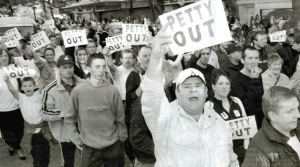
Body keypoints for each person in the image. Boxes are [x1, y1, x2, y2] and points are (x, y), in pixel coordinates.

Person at [140, 23, 239, 167]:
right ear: (177, 92)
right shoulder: (164, 118)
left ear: (206, 92)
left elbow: (232, 161)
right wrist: (155, 57)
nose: (193, 90)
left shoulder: (219, 122)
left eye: (198, 86)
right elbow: (151, 94)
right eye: (187, 86)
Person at [65, 53, 127, 167]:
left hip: (113, 146)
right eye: (97, 67)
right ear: (89, 68)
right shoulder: (78, 91)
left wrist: (121, 137)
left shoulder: (112, 90)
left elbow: (120, 117)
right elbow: (69, 118)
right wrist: (77, 139)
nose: (101, 70)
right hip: (90, 148)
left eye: (104, 66)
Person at [129, 60, 177, 167]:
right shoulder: (142, 102)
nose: (173, 76)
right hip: (148, 161)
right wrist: (161, 149)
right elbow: (137, 138)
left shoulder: (166, 93)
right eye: (169, 72)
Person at [242, 86, 300, 167]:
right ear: (272, 116)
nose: (298, 115)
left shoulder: (297, 127)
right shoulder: (258, 149)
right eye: (290, 111)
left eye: (297, 108)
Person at [42, 55, 83, 167]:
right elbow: (44, 112)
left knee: (88, 160)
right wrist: (63, 114)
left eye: (70, 67)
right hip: (65, 133)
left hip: (84, 131)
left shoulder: (84, 85)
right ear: (58, 68)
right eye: (64, 67)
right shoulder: (50, 89)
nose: (68, 70)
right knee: (68, 162)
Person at [4, 76, 50, 167]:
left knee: (45, 152)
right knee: (36, 153)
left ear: (34, 86)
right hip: (31, 131)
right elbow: (12, 90)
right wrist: (7, 81)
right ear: (21, 88)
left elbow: (44, 84)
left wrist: (40, 74)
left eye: (30, 85)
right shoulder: (21, 97)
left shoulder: (39, 94)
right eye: (25, 86)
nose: (28, 88)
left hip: (43, 129)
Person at [207, 69, 247, 165]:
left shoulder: (237, 101)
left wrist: (246, 149)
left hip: (242, 153)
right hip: (223, 155)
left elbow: (246, 130)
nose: (224, 87)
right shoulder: (208, 106)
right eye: (220, 83)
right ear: (213, 86)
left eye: (227, 83)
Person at [125, 45, 152, 163]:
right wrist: (142, 86)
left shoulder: (157, 72)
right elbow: (130, 97)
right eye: (145, 56)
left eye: (150, 55)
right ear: (138, 58)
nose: (148, 58)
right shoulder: (134, 75)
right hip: (139, 119)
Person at [0, 48, 25, 159]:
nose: (4, 58)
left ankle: (15, 145)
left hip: (16, 106)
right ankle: (17, 147)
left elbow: (24, 81)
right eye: (1, 56)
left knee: (19, 130)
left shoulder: (14, 68)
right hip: (2, 108)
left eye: (5, 55)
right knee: (6, 134)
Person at [232, 46, 264, 128]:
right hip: (248, 124)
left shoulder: (257, 75)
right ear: (242, 60)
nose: (254, 61)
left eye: (256, 58)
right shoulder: (236, 79)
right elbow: (247, 105)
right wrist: (254, 80)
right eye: (250, 58)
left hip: (261, 121)